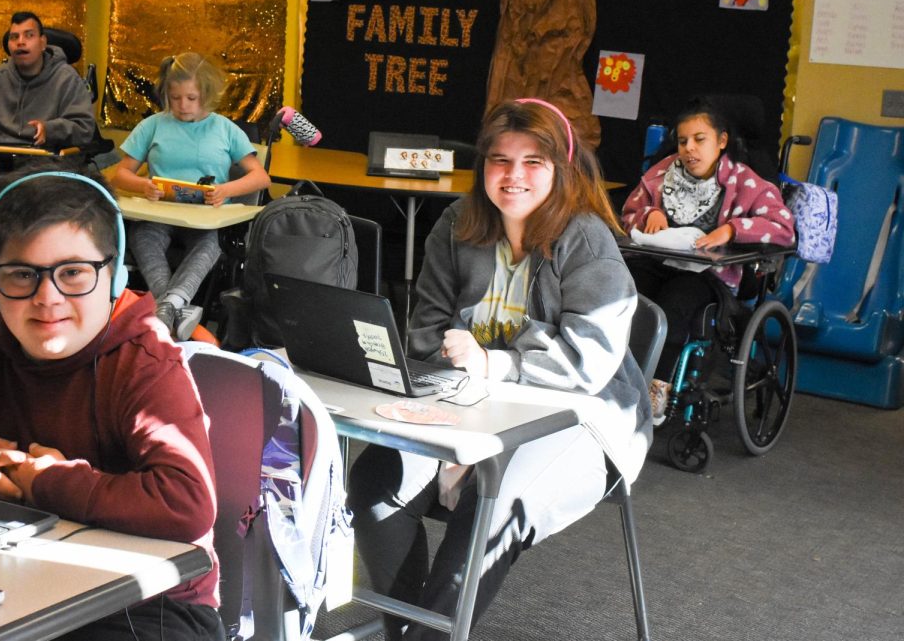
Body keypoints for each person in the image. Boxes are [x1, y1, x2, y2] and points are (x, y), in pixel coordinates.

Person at [346, 99, 652, 641]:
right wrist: (459, 367)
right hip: (468, 402)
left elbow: (589, 358)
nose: (513, 175)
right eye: (499, 159)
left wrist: (496, 360)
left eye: (533, 161)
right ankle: (408, 631)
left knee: (491, 506)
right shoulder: (456, 226)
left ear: (561, 168)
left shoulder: (585, 238)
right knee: (372, 484)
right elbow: (425, 331)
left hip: (584, 416)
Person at [0, 171, 223, 641]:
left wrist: (50, 482)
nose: (48, 298)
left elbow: (187, 504)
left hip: (145, 605)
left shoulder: (145, 365)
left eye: (73, 272)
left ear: (115, 275)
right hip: (8, 576)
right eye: (22, 274)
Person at [621, 97, 795, 410]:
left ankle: (656, 388)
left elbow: (783, 227)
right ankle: (618, 378)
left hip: (708, 273)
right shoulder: (663, 173)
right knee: (625, 296)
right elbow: (628, 212)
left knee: (674, 304)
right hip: (658, 262)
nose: (689, 149)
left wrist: (732, 230)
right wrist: (649, 214)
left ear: (721, 141)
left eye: (699, 140)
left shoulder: (744, 181)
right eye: (683, 141)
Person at [111, 52, 270, 339]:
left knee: (211, 243)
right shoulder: (153, 125)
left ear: (206, 95)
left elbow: (260, 177)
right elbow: (120, 174)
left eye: (191, 98)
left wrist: (225, 190)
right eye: (175, 98)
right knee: (142, 236)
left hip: (206, 219)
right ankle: (174, 304)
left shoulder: (225, 129)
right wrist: (143, 185)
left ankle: (165, 305)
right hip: (159, 213)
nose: (182, 106)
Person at [0, 11, 97, 206]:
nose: (21, 42)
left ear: (43, 42)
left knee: (19, 191)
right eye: (14, 37)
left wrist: (50, 129)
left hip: (43, 160)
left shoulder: (67, 78)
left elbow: (84, 128)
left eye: (29, 35)